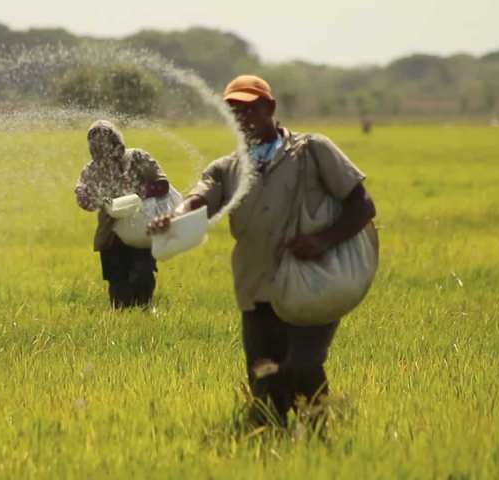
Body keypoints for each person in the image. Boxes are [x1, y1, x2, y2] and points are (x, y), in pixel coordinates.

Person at [148, 75, 377, 429]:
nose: (243, 117)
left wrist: (323, 240)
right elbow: (198, 199)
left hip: (312, 282)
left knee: (303, 364)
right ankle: (269, 442)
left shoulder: (312, 150)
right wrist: (172, 219)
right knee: (263, 377)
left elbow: (362, 206)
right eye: (234, 111)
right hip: (256, 289)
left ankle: (319, 436)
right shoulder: (228, 168)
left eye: (251, 108)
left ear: (270, 108)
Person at [75, 120, 170, 309]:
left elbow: (162, 184)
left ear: (118, 145)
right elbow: (83, 198)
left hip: (141, 232)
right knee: (117, 284)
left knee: (142, 277)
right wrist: (87, 197)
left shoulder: (138, 158)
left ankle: (143, 315)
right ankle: (122, 320)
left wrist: (136, 195)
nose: (104, 159)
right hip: (112, 236)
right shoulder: (92, 170)